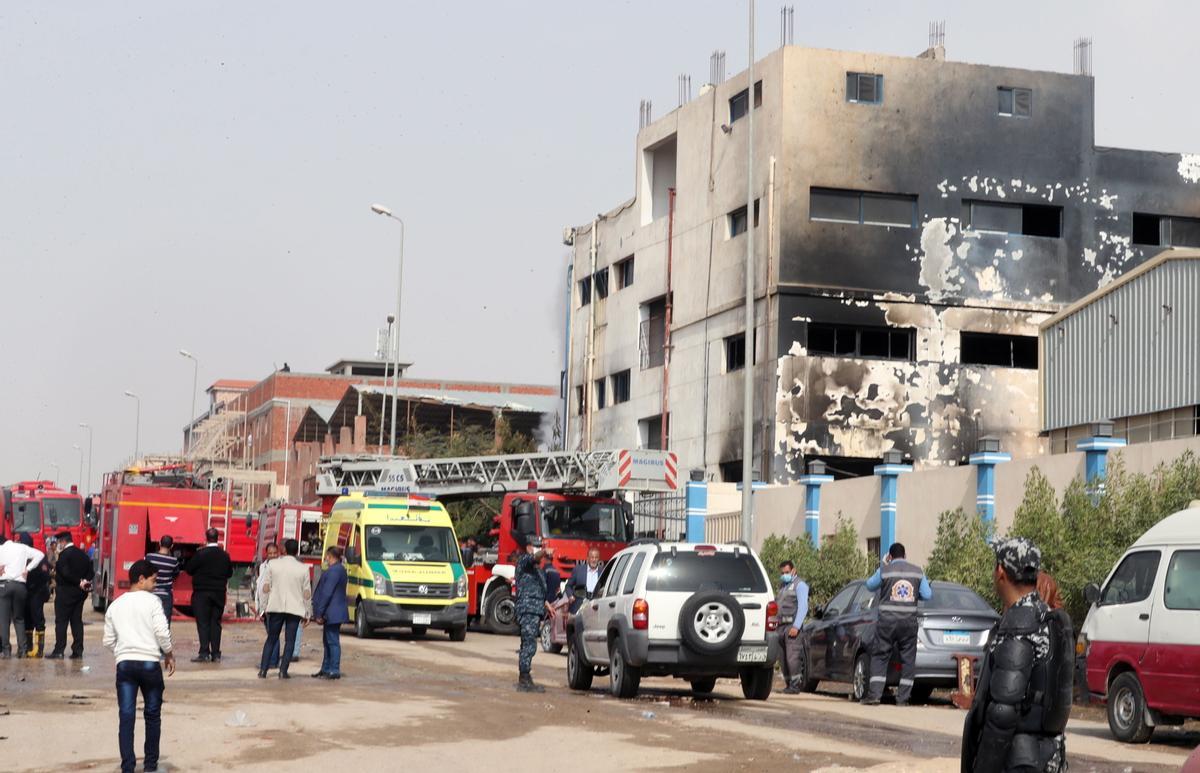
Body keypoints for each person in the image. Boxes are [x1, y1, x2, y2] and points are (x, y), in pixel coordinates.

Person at [961, 538, 1073, 773]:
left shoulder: (1020, 627)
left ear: (1000, 571)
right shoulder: (1048, 618)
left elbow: (1003, 712)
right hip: (1049, 757)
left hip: (1018, 761)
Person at [102, 559, 175, 773]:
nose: (155, 584)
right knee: (152, 715)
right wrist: (169, 653)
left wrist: (122, 652)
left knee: (126, 715)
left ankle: (128, 767)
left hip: (124, 666)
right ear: (141, 579)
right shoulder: (153, 602)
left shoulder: (115, 604)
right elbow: (162, 632)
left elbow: (108, 641)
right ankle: (150, 766)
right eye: (153, 579)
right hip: (150, 664)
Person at [862, 542, 932, 706]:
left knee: (880, 656)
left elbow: (869, 585)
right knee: (908, 659)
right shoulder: (917, 571)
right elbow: (927, 595)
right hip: (908, 622)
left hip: (887, 622)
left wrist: (883, 565)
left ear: (890, 556)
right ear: (905, 556)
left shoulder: (885, 570)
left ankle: (874, 696)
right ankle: (903, 699)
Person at [257, 538, 311, 679]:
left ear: (284, 550)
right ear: (297, 551)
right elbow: (306, 593)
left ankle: (263, 670)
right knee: (290, 641)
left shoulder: (273, 565)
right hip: (294, 609)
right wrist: (307, 613)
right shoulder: (303, 568)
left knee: (271, 639)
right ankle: (283, 671)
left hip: (275, 607)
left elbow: (265, 589)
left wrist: (263, 608)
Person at [513, 534, 555, 692]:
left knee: (528, 644)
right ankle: (524, 679)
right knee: (529, 645)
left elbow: (537, 591)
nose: (539, 550)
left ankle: (525, 677)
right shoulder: (524, 562)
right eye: (537, 546)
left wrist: (547, 605)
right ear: (529, 548)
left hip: (536, 610)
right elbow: (533, 557)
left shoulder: (538, 571)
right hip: (527, 610)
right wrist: (544, 552)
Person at [184, 527, 233, 663]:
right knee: (215, 623)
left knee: (203, 623)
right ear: (217, 538)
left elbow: (189, 569)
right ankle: (216, 654)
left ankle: (204, 652)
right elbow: (230, 573)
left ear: (206, 538)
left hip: (201, 593)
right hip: (218, 593)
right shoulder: (224, 555)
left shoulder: (200, 554)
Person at [47, 529, 94, 659]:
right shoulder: (83, 554)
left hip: (65, 593)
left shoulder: (64, 555)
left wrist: (78, 581)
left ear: (63, 541)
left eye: (59, 542)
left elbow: (65, 573)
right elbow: (91, 572)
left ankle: (59, 650)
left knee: (61, 622)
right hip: (80, 594)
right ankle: (78, 651)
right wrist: (84, 581)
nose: (58, 545)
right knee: (76, 621)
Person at [0, 533, 46, 658]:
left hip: (4, 586)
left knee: (4, 620)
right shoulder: (22, 548)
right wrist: (28, 569)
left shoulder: (1, 549)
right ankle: (23, 649)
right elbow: (40, 554)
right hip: (20, 586)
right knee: (19, 619)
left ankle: (6, 651)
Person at [311, 545, 348, 679]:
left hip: (332, 612)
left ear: (330, 556)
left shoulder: (334, 571)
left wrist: (319, 612)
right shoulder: (338, 569)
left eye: (326, 556)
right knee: (328, 641)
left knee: (332, 641)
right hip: (332, 611)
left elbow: (327, 593)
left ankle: (334, 669)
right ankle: (326, 668)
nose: (325, 558)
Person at [777, 559, 811, 694]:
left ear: (793, 570)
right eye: (782, 573)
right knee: (783, 658)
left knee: (793, 657)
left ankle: (795, 685)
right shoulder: (783, 586)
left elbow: (803, 607)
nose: (784, 574)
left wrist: (796, 626)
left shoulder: (800, 585)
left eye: (787, 572)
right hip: (780, 627)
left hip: (792, 626)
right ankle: (788, 684)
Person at [21, 533, 52, 657]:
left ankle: (39, 650)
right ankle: (29, 647)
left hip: (36, 592)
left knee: (38, 619)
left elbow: (45, 575)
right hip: (26, 592)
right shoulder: (22, 555)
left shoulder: (38, 556)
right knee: (27, 619)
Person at [144, 535, 182, 624]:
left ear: (159, 543)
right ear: (172, 546)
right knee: (164, 623)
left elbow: (144, 571)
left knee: (149, 621)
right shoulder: (174, 561)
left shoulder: (149, 557)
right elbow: (175, 575)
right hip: (166, 595)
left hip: (150, 593)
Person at [256, 543, 282, 668]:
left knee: (273, 635)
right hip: (264, 606)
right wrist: (259, 607)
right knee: (271, 634)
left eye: (274, 553)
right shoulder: (263, 566)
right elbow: (260, 587)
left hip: (274, 606)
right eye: (270, 553)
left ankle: (273, 661)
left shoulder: (280, 568)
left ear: (278, 553)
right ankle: (272, 660)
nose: (272, 555)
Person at [566, 547, 604, 614]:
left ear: (599, 559)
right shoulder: (578, 570)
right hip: (579, 606)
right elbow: (568, 586)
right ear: (588, 558)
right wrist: (570, 596)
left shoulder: (603, 572)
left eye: (596, 557)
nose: (594, 560)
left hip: (596, 606)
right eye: (592, 557)